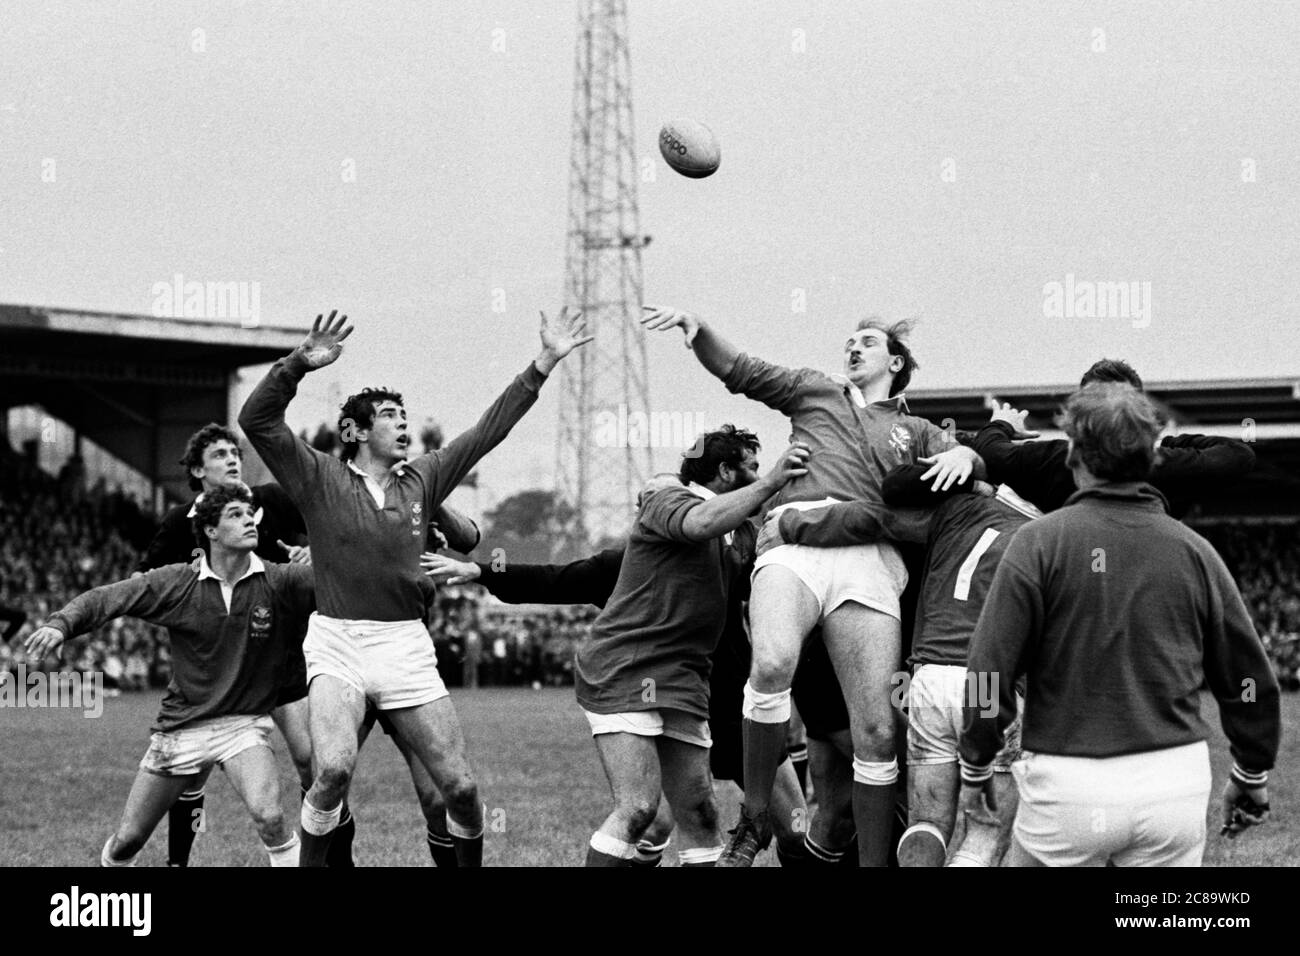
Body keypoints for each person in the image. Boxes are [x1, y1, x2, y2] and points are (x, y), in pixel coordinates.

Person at [238, 307, 590, 866]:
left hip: (404, 643)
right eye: (388, 415)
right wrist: (298, 364)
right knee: (330, 771)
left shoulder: (423, 477)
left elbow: (488, 431)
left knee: (461, 790)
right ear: (355, 432)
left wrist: (543, 364)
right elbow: (257, 421)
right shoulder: (320, 476)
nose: (403, 423)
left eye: (404, 414)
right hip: (338, 642)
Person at [641, 304, 981, 866]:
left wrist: (969, 451)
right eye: (849, 340)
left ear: (895, 363)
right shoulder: (814, 389)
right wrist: (699, 332)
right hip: (794, 538)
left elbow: (974, 470)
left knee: (874, 730)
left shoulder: (919, 431)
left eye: (867, 342)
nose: (853, 347)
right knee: (771, 664)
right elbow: (741, 370)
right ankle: (753, 821)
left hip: (868, 554)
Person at [958, 383, 1281, 866]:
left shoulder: (1036, 543)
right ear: (1152, 456)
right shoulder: (1194, 551)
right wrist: (1251, 773)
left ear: (1073, 454)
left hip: (1068, 789)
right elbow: (1248, 680)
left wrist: (976, 762)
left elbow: (989, 673)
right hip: (1174, 784)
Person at [24, 487, 313, 867]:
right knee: (128, 840)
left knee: (272, 819)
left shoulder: (279, 581)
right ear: (210, 530)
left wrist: (322, 559)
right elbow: (110, 598)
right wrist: (62, 624)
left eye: (250, 513)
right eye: (236, 514)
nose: (249, 520)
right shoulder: (178, 582)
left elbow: (352, 587)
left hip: (243, 725)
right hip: (182, 728)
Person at [572, 426, 808, 865]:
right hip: (627, 667)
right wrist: (772, 482)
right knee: (639, 809)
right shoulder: (668, 497)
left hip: (684, 677)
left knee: (699, 812)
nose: (760, 476)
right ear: (724, 470)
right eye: (752, 468)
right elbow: (700, 523)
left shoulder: (738, 532)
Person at [134, 422, 321, 865]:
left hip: (282, 660)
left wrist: (311, 550)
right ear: (197, 470)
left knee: (315, 761)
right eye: (219, 455)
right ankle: (178, 860)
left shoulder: (271, 501)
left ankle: (322, 855)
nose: (233, 459)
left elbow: (329, 520)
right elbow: (148, 582)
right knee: (192, 774)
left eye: (235, 452)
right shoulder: (182, 522)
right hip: (216, 671)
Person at [970, 358, 1256, 517]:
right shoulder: (1162, 464)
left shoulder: (1053, 461)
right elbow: (1237, 456)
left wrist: (1002, 424)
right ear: (1140, 412)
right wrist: (1165, 444)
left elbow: (991, 452)